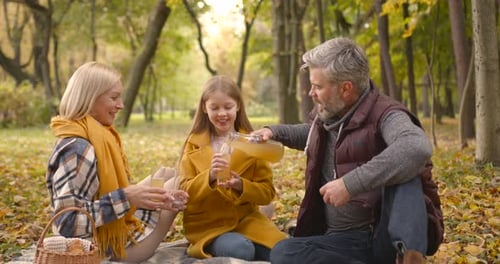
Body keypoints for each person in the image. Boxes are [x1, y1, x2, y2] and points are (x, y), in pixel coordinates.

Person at [253, 37, 441, 264]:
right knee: (284, 252)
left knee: (407, 169)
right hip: (342, 242)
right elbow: (312, 135)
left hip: (383, 238)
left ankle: (410, 257)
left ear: (345, 88)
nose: (310, 93)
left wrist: (349, 184)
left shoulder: (386, 114)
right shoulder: (328, 114)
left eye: (318, 86)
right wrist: (274, 132)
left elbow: (416, 147)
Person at [46, 61, 189, 262]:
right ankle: (213, 234)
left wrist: (134, 195)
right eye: (114, 97)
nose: (121, 105)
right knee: (179, 182)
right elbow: (66, 222)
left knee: (166, 174)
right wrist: (127, 198)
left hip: (106, 232)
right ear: (90, 98)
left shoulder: (96, 135)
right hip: (102, 249)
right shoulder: (79, 148)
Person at [178, 75, 287, 261]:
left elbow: (267, 193)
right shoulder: (193, 143)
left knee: (286, 252)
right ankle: (226, 247)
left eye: (228, 107)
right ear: (205, 108)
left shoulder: (252, 143)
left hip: (247, 222)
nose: (222, 113)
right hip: (208, 226)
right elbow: (183, 193)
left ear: (237, 105)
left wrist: (241, 185)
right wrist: (210, 176)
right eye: (215, 108)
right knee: (241, 249)